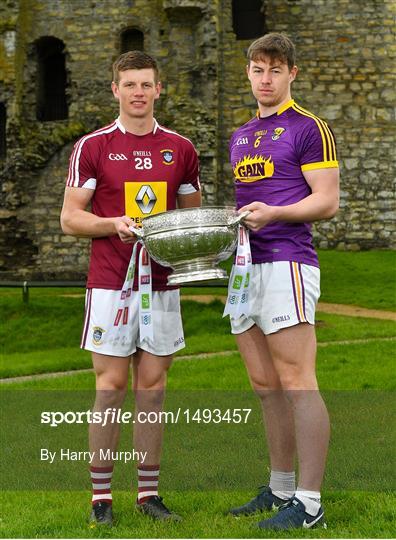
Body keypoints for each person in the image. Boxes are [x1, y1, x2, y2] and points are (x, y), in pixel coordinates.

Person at [60, 50, 201, 527]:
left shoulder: (181, 149)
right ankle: (101, 498)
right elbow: (70, 218)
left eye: (146, 84)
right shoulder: (93, 146)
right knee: (110, 387)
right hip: (110, 285)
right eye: (130, 84)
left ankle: (148, 495)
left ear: (159, 89)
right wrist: (111, 223)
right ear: (115, 90)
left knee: (154, 391)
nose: (138, 92)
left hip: (161, 284)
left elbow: (190, 220)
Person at [226, 33, 339, 530]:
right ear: (247, 73)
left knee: (297, 383)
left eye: (275, 70)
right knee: (265, 385)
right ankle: (280, 488)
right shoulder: (241, 136)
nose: (265, 79)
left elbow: (326, 201)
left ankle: (310, 503)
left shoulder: (309, 127)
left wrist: (275, 214)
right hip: (245, 268)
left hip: (288, 263)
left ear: (292, 73)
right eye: (257, 69)